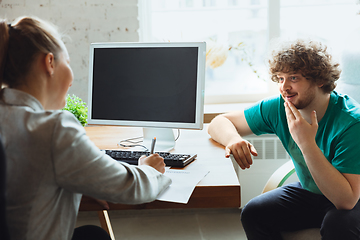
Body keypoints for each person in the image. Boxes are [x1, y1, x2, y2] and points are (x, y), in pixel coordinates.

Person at [0, 16, 172, 240]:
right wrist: (149, 168)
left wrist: (85, 182)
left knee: (93, 235)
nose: (71, 78)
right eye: (68, 63)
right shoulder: (54, 129)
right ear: (50, 62)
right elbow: (132, 188)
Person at [208, 39, 360, 239]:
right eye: (280, 78)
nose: (284, 87)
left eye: (294, 78)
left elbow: (346, 201)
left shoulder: (351, 123)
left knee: (337, 224)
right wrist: (232, 140)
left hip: (352, 196)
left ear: (319, 79)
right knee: (253, 213)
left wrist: (306, 142)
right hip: (312, 193)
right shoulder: (280, 106)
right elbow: (219, 122)